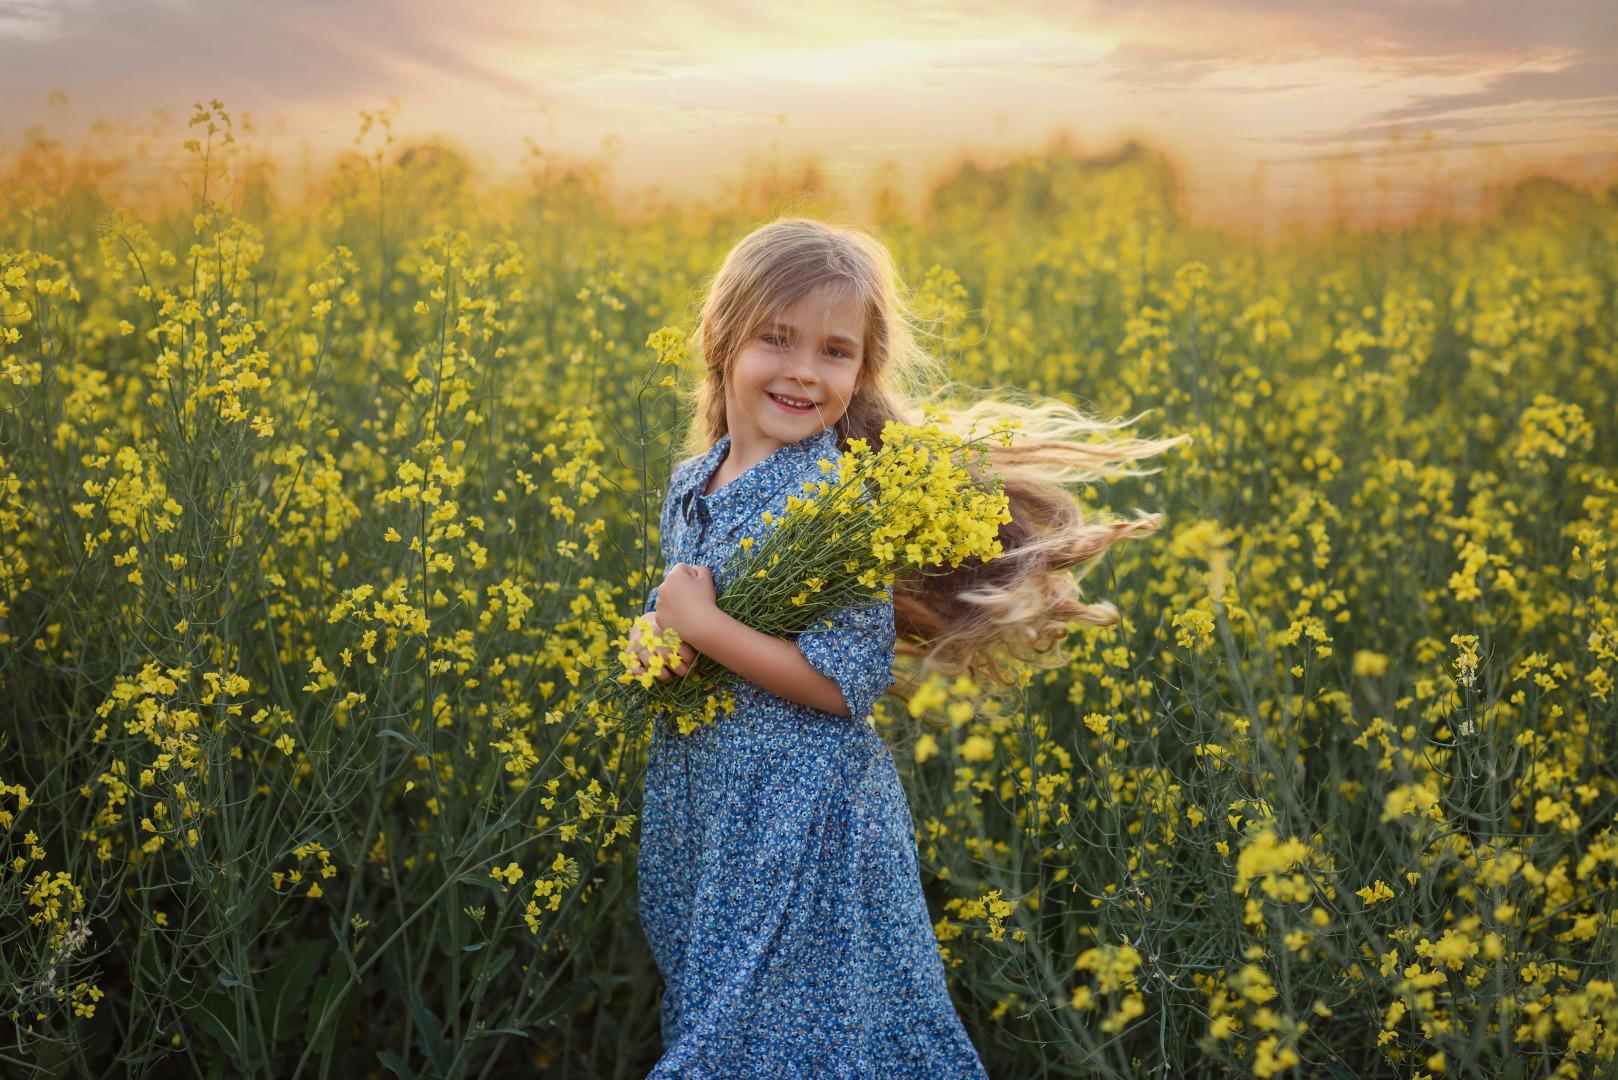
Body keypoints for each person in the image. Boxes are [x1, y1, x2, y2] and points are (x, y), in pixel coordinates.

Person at [622, 217, 1182, 1078]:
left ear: (861, 371)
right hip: (709, 805)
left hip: (803, 815)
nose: (805, 369)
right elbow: (693, 607)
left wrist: (703, 628)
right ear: (721, 337)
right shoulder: (693, 482)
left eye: (836, 351)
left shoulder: (841, 503)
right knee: (741, 1022)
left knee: (760, 1043)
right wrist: (660, 638)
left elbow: (842, 685)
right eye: (778, 338)